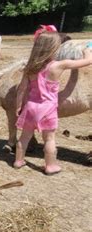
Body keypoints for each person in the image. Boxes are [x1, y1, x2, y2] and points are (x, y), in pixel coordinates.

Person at [14, 32, 92, 175]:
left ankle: (18, 161)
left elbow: (21, 89)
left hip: (31, 107)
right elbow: (88, 61)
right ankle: (50, 166)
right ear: (53, 49)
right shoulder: (59, 65)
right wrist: (87, 48)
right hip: (48, 109)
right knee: (49, 139)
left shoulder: (29, 68)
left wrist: (19, 105)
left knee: (24, 137)